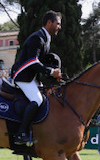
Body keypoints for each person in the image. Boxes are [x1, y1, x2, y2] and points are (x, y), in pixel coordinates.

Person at [10, 10, 63, 145]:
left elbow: (41, 61)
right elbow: (32, 62)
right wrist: (51, 72)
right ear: (49, 23)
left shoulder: (45, 38)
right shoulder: (37, 38)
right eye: (58, 24)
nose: (59, 27)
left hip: (30, 76)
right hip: (21, 75)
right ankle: (21, 133)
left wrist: (55, 70)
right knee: (37, 99)